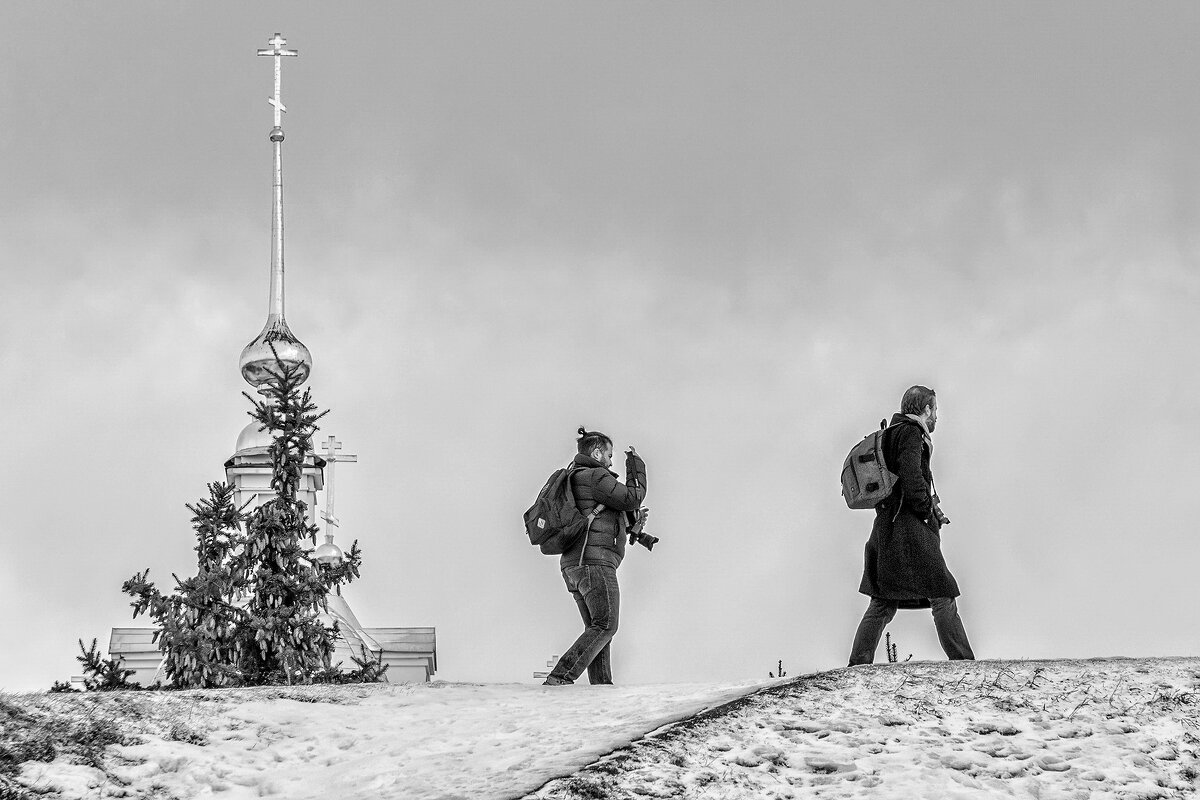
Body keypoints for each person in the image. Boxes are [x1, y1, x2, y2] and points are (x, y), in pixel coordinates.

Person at [848, 385, 975, 665]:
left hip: (887, 528)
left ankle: (858, 664)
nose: (937, 417)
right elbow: (911, 477)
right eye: (935, 410)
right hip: (909, 528)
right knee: (942, 593)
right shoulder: (911, 433)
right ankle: (963, 661)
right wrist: (927, 512)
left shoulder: (890, 434)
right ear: (926, 410)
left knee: (883, 600)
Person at [543, 427, 647, 686]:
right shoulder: (595, 476)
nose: (612, 461)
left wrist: (634, 527)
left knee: (599, 628)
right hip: (593, 563)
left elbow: (608, 517)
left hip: (576, 565)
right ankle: (560, 677)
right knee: (606, 625)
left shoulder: (579, 478)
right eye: (609, 455)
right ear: (597, 452)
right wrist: (635, 464)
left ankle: (601, 688)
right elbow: (632, 497)